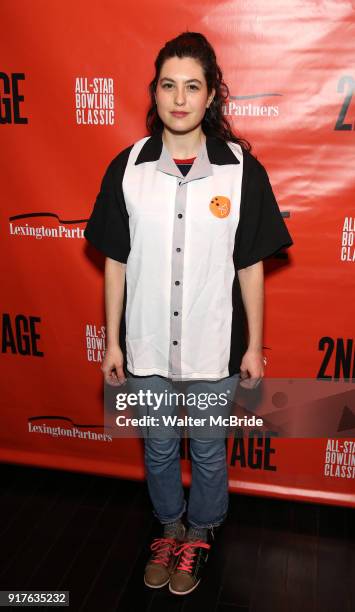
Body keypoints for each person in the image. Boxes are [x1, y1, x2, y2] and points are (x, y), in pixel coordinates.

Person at [84, 31, 293, 596]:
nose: (179, 98)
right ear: (154, 93)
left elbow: (250, 265)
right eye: (169, 85)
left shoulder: (240, 171)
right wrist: (113, 342)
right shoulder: (127, 168)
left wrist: (253, 346)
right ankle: (168, 526)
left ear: (211, 97)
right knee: (156, 446)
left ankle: (199, 532)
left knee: (205, 447)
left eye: (192, 86)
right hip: (147, 343)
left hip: (212, 345)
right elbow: (116, 263)